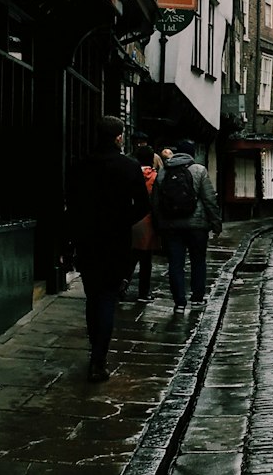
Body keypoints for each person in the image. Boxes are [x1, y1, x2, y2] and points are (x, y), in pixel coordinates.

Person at [66, 114, 150, 382]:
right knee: (106, 299)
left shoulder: (80, 166)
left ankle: (95, 350)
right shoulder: (128, 167)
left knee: (93, 297)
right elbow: (144, 206)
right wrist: (123, 219)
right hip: (115, 241)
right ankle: (98, 361)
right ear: (118, 137)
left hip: (87, 239)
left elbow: (72, 203)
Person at [153, 139, 222, 314]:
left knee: (175, 264)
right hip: (197, 226)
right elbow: (209, 199)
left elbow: (155, 203)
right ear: (192, 154)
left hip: (171, 226)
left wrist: (159, 226)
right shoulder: (199, 170)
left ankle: (179, 303)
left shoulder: (163, 172)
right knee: (198, 261)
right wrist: (216, 223)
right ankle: (197, 298)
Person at [121, 144, 159, 301]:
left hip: (129, 218)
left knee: (129, 256)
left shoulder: (129, 173)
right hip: (148, 220)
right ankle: (143, 292)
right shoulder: (156, 177)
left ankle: (122, 285)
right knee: (145, 260)